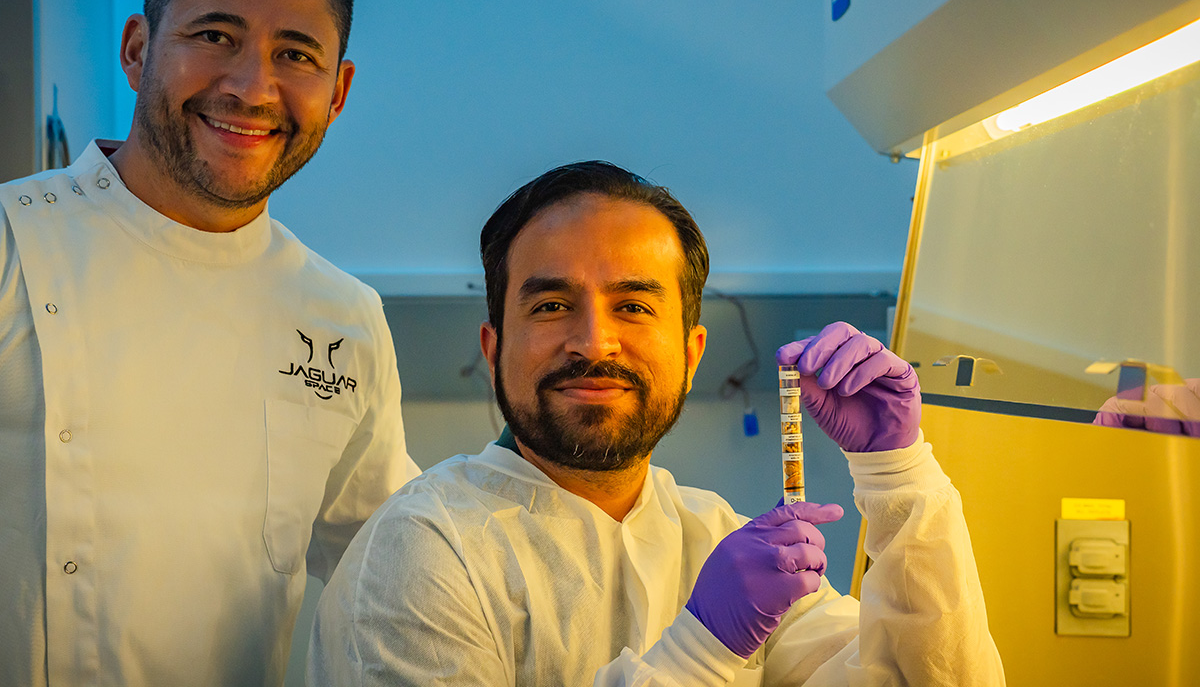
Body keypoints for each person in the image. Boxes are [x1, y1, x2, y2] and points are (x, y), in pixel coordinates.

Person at [308, 161, 1005, 685]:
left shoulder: (721, 543)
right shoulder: (422, 552)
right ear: (493, 351)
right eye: (551, 307)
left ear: (693, 352)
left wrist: (899, 470)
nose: (594, 342)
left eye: (634, 307)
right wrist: (702, 648)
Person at [0, 0, 419, 687]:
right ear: (137, 48)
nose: (252, 87)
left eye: (295, 54)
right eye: (215, 36)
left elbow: (396, 580)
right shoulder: (11, 243)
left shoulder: (344, 320)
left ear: (338, 90)